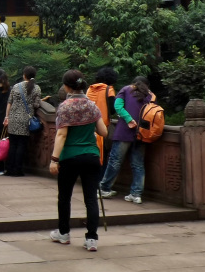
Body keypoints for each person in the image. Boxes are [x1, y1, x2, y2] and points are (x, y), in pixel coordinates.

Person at [48, 70, 109, 251]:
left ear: (66, 86)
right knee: (91, 198)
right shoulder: (91, 106)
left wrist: (54, 159)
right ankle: (91, 238)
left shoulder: (65, 107)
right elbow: (104, 132)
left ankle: (64, 233)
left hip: (70, 157)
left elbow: (61, 134)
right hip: (91, 155)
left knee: (65, 197)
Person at [98, 76, 154, 204]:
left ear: (134, 82)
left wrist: (129, 120)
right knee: (138, 164)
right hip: (142, 134)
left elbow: (118, 107)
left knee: (115, 161)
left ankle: (104, 188)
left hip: (124, 131)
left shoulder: (126, 90)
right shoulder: (150, 95)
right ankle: (136, 194)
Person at [3, 66, 42, 177]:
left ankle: (9, 169)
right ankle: (18, 170)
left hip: (13, 117)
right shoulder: (36, 88)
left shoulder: (16, 86)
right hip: (26, 119)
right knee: (21, 145)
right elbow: (36, 104)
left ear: (24, 75)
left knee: (13, 144)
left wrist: (7, 117)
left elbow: (9, 102)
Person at [86, 67, 118, 165]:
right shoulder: (109, 90)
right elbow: (112, 110)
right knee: (103, 157)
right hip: (102, 128)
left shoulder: (89, 89)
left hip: (88, 128)